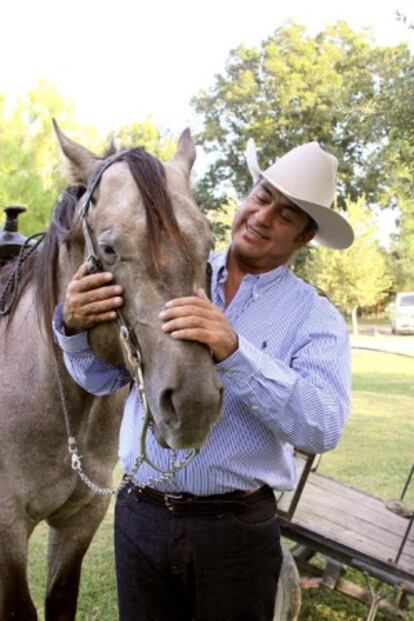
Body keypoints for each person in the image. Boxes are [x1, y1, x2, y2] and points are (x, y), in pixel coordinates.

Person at [53, 139, 354, 621]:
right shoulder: (167, 265)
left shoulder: (315, 317)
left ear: (303, 237)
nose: (263, 215)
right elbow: (100, 379)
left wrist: (236, 352)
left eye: (287, 214)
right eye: (262, 195)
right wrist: (71, 328)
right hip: (140, 517)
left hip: (234, 531)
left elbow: (323, 427)